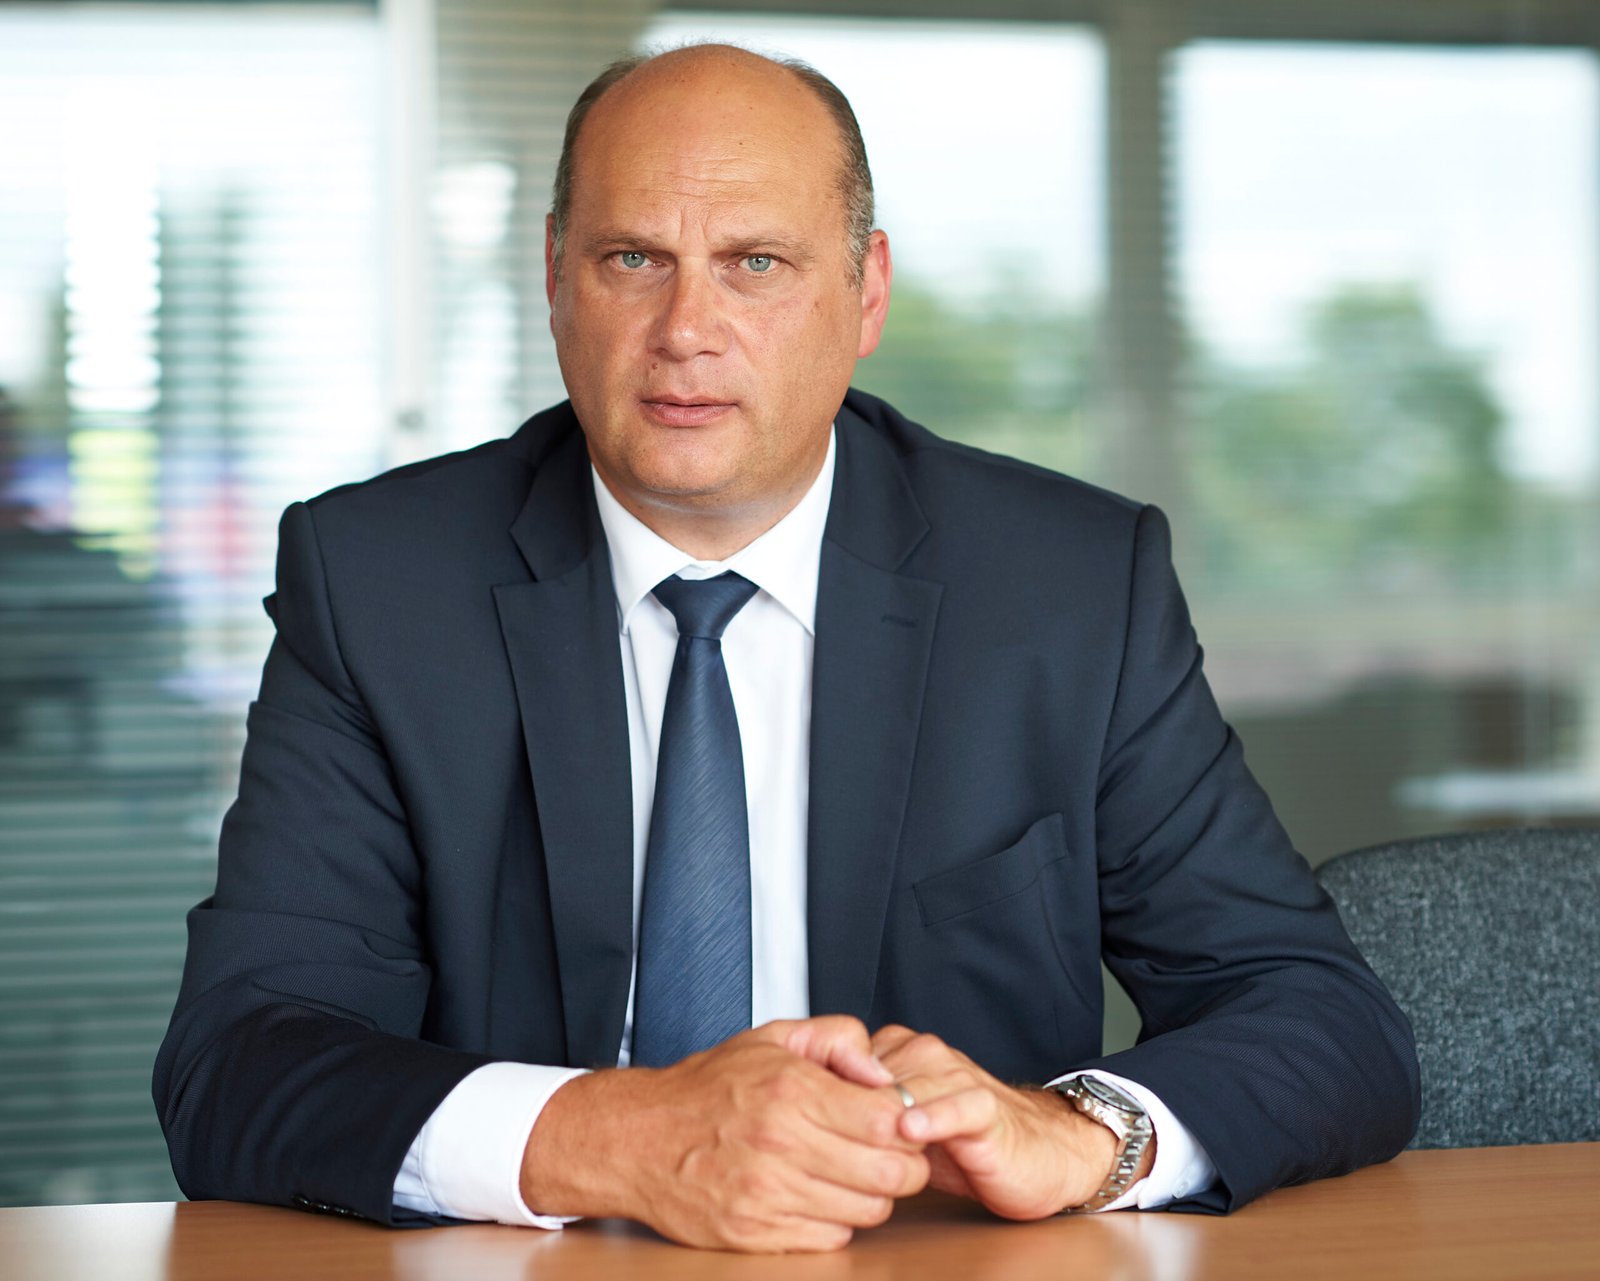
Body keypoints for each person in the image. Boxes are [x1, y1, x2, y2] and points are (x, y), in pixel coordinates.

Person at [153, 44, 1419, 1253]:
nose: (685, 328)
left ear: (866, 293)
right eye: (632, 258)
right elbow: (241, 1061)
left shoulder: (1065, 589)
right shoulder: (380, 584)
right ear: (554, 276)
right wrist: (620, 1138)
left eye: (754, 263)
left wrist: (1084, 1134)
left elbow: (1319, 1019)